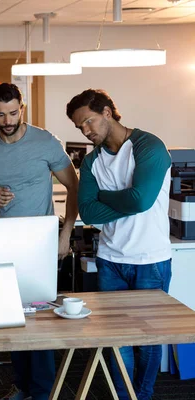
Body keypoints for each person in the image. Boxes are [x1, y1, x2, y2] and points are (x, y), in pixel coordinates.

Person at [0, 83, 79, 400]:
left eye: (13, 112)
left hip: (40, 241)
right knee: (12, 317)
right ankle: (22, 385)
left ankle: (43, 392)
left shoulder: (46, 142)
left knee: (41, 320)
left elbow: (75, 187)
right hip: (1, 242)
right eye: (0, 114)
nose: (7, 120)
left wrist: (66, 233)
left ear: (23, 107)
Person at [66, 89, 172, 400]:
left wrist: (105, 196)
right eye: (79, 127)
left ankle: (144, 394)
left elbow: (140, 200)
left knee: (149, 339)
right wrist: (125, 199)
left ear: (108, 112)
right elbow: (88, 211)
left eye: (88, 122)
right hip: (111, 259)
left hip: (151, 260)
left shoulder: (148, 146)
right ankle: (125, 396)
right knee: (117, 339)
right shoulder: (91, 161)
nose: (86, 131)